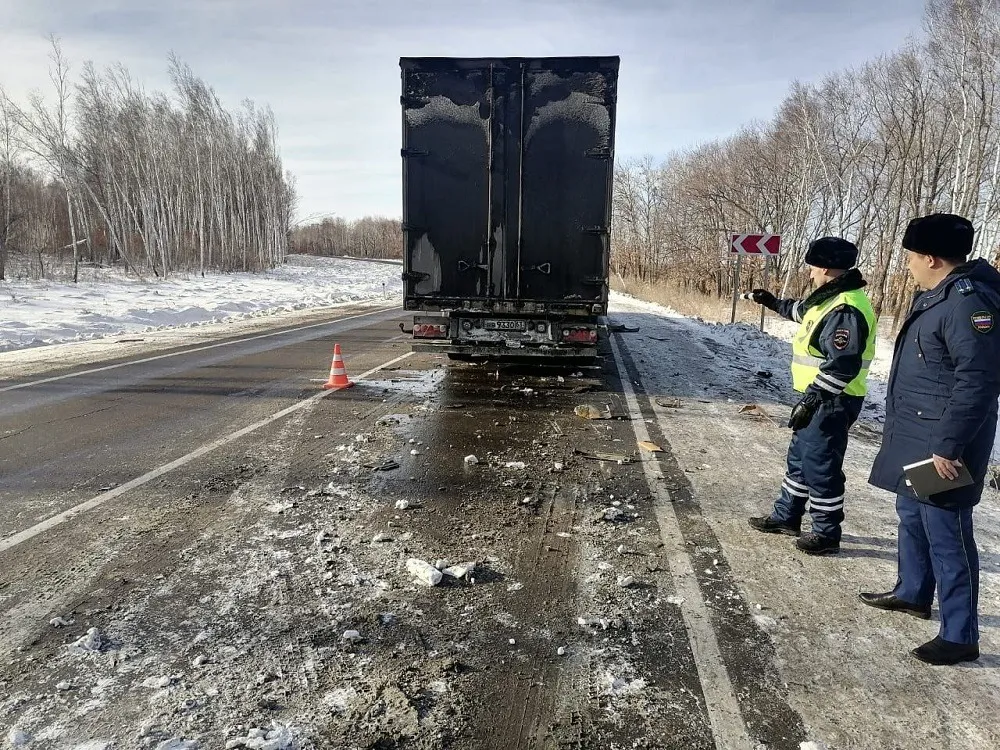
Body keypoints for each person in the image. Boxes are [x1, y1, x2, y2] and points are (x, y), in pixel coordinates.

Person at [860, 213, 1000, 666]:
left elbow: (977, 381)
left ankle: (960, 634)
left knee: (947, 530)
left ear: (931, 258)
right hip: (920, 433)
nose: (907, 267)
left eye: (910, 258)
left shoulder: (967, 302)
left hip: (943, 442)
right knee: (911, 513)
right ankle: (913, 591)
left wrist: (949, 445)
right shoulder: (939, 296)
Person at [745, 237, 877, 555]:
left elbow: (842, 365)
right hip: (818, 397)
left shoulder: (846, 307)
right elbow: (800, 312)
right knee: (800, 460)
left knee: (821, 465)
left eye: (812, 267)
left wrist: (813, 398)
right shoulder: (828, 299)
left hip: (833, 399)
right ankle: (787, 516)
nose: (810, 274)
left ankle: (826, 533)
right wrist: (771, 302)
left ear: (823, 267)